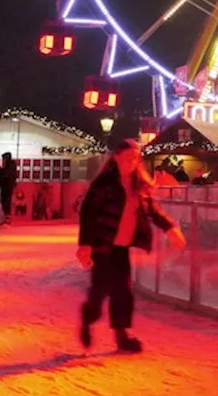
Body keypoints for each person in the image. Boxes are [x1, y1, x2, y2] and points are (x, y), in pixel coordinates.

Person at [77, 139, 187, 352]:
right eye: (129, 157)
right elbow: (88, 213)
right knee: (99, 290)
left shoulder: (139, 184)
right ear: (116, 157)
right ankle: (87, 322)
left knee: (123, 291)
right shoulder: (105, 183)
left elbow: (153, 211)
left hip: (121, 247)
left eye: (136, 158)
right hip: (103, 245)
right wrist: (85, 245)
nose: (133, 161)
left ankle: (122, 334)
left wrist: (171, 228)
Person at [0, 153, 17, 225]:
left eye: (3, 158)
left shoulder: (11, 164)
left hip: (8, 185)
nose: (3, 160)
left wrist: (1, 171)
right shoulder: (9, 165)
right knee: (4, 201)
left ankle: (7, 218)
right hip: (6, 185)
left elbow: (7, 174)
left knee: (6, 201)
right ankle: (6, 217)